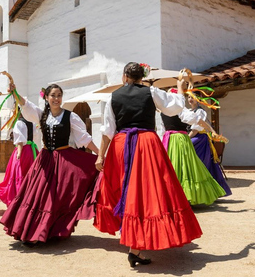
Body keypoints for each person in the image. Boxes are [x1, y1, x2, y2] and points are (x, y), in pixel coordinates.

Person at [94, 62, 203, 267]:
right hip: (146, 144)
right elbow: (174, 108)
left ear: (124, 77)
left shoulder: (113, 97)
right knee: (147, 192)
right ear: (141, 78)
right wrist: (180, 88)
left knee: (127, 190)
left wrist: (101, 156)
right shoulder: (151, 92)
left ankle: (134, 243)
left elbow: (107, 130)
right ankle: (135, 245)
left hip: (121, 145)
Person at [0, 83, 100, 245]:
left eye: (59, 95)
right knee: (38, 195)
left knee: (57, 196)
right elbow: (26, 105)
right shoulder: (41, 115)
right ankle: (32, 231)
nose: (56, 98)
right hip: (45, 160)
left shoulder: (70, 116)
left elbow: (84, 138)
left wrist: (99, 155)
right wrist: (15, 92)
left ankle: (51, 230)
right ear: (46, 98)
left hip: (64, 159)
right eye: (53, 95)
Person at [160, 89, 226, 206]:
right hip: (178, 139)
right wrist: (212, 130)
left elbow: (162, 130)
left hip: (170, 140)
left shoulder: (165, 110)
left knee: (177, 167)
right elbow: (198, 121)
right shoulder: (179, 109)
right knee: (185, 168)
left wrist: (211, 131)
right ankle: (184, 196)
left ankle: (174, 197)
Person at [0, 114, 39, 206]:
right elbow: (34, 138)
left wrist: (19, 153)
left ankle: (19, 200)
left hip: (23, 151)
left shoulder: (19, 123)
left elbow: (20, 141)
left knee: (19, 175)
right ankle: (29, 199)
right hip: (32, 151)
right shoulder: (32, 123)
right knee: (30, 176)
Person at [187, 94, 232, 196]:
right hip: (192, 138)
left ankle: (207, 193)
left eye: (192, 97)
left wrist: (186, 139)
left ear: (198, 100)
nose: (190, 99)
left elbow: (195, 129)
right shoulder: (188, 112)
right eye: (188, 97)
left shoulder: (200, 112)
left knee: (201, 166)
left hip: (199, 140)